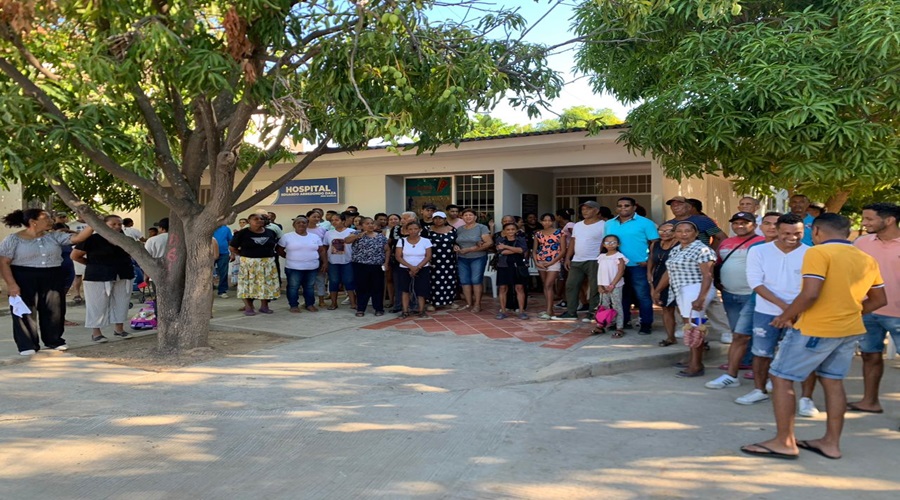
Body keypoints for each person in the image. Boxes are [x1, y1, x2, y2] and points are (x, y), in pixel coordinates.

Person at [741, 213, 886, 460]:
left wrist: (786, 316)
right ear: (848, 232)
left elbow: (810, 293)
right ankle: (831, 443)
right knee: (833, 381)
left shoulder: (817, 253)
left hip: (815, 329)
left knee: (781, 377)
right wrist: (848, 312)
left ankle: (784, 442)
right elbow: (879, 299)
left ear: (816, 231)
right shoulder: (865, 258)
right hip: (849, 329)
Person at [735, 213, 811, 407]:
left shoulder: (812, 253)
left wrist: (792, 312)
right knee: (761, 352)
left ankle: (806, 398)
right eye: (786, 233)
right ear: (777, 231)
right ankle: (759, 390)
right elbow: (755, 283)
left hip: (803, 313)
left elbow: (813, 287)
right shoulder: (759, 251)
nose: (792, 237)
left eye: (798, 233)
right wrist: (786, 311)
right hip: (766, 311)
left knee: (805, 355)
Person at [0, 209, 93, 355]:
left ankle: (54, 340)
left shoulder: (54, 236)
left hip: (52, 275)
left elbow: (78, 238)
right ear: (33, 222)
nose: (51, 221)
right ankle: (27, 344)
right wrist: (11, 284)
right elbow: (4, 262)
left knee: (54, 309)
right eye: (47, 218)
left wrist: (93, 222)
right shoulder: (13, 239)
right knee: (24, 310)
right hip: (24, 276)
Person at [848, 202, 900, 414]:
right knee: (869, 356)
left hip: (898, 315)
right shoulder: (861, 243)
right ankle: (869, 402)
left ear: (889, 220)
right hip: (868, 310)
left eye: (869, 219)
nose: (864, 223)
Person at [704, 212, 765, 390]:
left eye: (744, 223)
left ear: (754, 225)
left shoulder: (761, 243)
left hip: (751, 294)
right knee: (736, 329)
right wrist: (718, 281)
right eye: (736, 223)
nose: (739, 226)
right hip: (729, 293)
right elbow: (718, 263)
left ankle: (755, 364)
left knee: (751, 331)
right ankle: (743, 361)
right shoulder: (725, 242)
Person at [661, 221, 717, 377]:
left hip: (696, 289)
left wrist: (701, 298)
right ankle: (693, 358)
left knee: (695, 327)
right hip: (682, 291)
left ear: (696, 233)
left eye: (687, 231)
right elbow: (669, 271)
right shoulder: (676, 249)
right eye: (679, 231)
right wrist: (657, 290)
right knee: (691, 327)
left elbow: (707, 275)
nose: (683, 234)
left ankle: (696, 365)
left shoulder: (702, 249)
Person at [70, 215, 135, 343]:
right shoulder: (92, 239)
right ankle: (96, 333)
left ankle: (119, 329)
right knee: (97, 304)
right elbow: (75, 256)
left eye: (119, 224)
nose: (117, 227)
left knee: (122, 302)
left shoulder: (126, 239)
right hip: (97, 275)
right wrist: (92, 264)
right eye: (113, 224)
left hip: (123, 273)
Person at [604, 196, 660, 334]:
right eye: (620, 206)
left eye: (627, 205)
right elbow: (606, 242)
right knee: (621, 296)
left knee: (642, 296)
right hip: (616, 267)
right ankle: (623, 322)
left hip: (638, 265)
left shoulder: (646, 223)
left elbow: (655, 243)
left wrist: (649, 260)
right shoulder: (609, 223)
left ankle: (646, 324)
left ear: (634, 207)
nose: (623, 208)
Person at [553, 201, 605, 322]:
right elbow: (573, 241)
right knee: (571, 285)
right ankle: (571, 312)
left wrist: (602, 256)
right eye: (583, 209)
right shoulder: (578, 225)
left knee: (594, 287)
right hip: (577, 260)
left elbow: (605, 242)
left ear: (596, 211)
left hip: (594, 260)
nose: (585, 211)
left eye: (588, 209)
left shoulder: (604, 225)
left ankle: (593, 312)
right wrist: (568, 257)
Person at [230, 213, 280, 315]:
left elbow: (275, 245)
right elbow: (233, 247)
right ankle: (249, 307)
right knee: (247, 285)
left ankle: (264, 306)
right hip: (249, 263)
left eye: (261, 219)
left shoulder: (270, 232)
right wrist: (244, 254)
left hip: (267, 263)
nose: (259, 220)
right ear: (249, 221)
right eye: (255, 219)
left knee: (266, 285)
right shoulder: (242, 233)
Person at [277, 216, 326, 313]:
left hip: (312, 267)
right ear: (294, 225)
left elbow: (322, 250)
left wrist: (325, 262)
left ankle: (309, 304)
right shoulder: (287, 236)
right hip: (293, 267)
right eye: (298, 222)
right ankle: (294, 305)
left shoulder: (314, 237)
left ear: (307, 224)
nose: (301, 224)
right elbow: (279, 250)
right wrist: (290, 257)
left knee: (309, 287)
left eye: (304, 223)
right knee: (293, 287)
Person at [344, 217, 389, 316]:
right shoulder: (356, 233)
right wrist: (358, 236)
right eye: (367, 224)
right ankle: (361, 308)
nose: (370, 225)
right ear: (361, 226)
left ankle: (378, 308)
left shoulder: (380, 236)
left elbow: (387, 250)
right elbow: (346, 241)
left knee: (377, 287)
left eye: (372, 223)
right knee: (361, 287)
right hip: (360, 265)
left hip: (376, 265)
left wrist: (386, 262)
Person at [453, 208, 492, 312]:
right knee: (464, 281)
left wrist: (470, 249)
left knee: (476, 280)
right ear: (462, 217)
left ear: (475, 217)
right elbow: (456, 242)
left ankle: (477, 305)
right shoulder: (459, 229)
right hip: (462, 258)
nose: (468, 217)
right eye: (465, 215)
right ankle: (468, 304)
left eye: (470, 215)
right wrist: (455, 246)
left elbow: (489, 243)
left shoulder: (481, 227)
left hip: (478, 257)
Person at [649, 223, 678, 346]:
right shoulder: (655, 244)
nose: (664, 233)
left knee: (687, 311)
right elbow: (651, 260)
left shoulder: (680, 245)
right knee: (666, 308)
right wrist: (649, 276)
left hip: (678, 280)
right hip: (658, 278)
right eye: (661, 230)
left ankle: (699, 339)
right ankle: (670, 337)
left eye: (669, 230)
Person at [395, 220, 432, 318]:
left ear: (420, 229)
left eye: (415, 229)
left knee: (421, 290)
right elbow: (398, 256)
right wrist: (411, 267)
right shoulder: (402, 241)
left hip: (422, 268)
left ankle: (421, 310)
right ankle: (405, 311)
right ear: (407, 230)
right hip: (405, 268)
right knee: (405, 290)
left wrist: (418, 267)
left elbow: (428, 256)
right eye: (410, 229)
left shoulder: (426, 241)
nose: (413, 231)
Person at [533, 213, 566, 320]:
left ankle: (549, 311)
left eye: (549, 220)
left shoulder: (560, 232)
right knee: (545, 285)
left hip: (554, 261)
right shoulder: (538, 234)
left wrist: (552, 262)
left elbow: (563, 250)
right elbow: (534, 250)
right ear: (541, 221)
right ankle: (549, 309)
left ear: (553, 221)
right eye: (544, 220)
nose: (547, 222)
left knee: (548, 284)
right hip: (541, 261)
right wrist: (536, 261)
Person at [494, 222, 529, 320]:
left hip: (518, 266)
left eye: (513, 229)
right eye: (508, 230)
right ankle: (503, 311)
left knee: (519, 288)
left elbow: (522, 250)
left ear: (516, 230)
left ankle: (521, 311)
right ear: (504, 231)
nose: (510, 231)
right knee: (503, 288)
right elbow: (502, 252)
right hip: (503, 266)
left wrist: (506, 247)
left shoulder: (520, 239)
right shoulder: (500, 239)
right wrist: (515, 250)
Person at [595, 234, 628, 337]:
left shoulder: (619, 256)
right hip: (603, 286)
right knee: (603, 306)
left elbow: (621, 271)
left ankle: (619, 327)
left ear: (618, 244)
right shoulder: (601, 257)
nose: (610, 244)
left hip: (615, 286)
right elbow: (599, 272)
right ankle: (601, 325)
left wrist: (612, 285)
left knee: (617, 305)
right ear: (603, 244)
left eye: (613, 242)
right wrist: (599, 285)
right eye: (607, 242)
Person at [425, 211, 458, 310]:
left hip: (449, 260)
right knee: (433, 281)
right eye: (435, 218)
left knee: (449, 280)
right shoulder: (427, 229)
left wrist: (456, 245)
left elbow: (457, 241)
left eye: (440, 218)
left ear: (445, 219)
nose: (438, 220)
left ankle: (449, 301)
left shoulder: (452, 230)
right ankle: (432, 302)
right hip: (433, 260)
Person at [324, 212, 356, 310]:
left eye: (336, 220)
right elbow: (325, 247)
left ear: (343, 221)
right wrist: (325, 261)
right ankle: (334, 303)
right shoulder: (328, 233)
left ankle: (353, 303)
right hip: (333, 262)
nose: (334, 222)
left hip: (348, 261)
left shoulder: (352, 232)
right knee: (334, 281)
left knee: (349, 281)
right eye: (332, 220)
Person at [212, 224, 233, 298]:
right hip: (209, 253)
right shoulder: (209, 227)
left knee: (223, 272)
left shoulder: (226, 229)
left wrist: (232, 253)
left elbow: (230, 241)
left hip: (223, 253)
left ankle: (222, 291)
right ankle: (208, 290)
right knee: (207, 272)